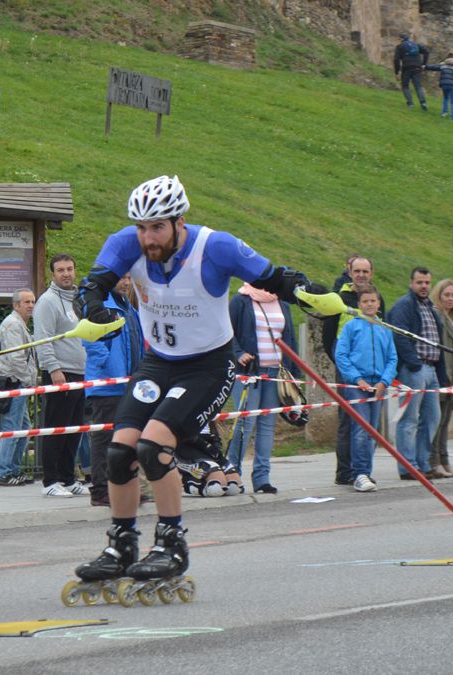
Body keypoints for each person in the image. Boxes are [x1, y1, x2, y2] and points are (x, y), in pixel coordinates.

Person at [72, 174, 339, 590]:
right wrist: (94, 312)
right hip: (158, 364)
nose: (148, 238)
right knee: (120, 451)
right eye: (142, 227)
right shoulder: (128, 242)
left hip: (209, 367)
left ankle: (172, 543)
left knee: (153, 445)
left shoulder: (214, 247)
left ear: (180, 221)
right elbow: (93, 285)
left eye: (157, 226)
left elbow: (274, 277)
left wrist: (305, 292)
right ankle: (121, 545)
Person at [225, 281, 303, 494]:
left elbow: (290, 338)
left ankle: (262, 478)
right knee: (244, 425)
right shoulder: (241, 300)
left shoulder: (282, 303)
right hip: (249, 374)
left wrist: (295, 374)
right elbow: (226, 332)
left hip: (276, 374)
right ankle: (234, 476)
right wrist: (239, 352)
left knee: (267, 426)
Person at [84, 274, 144, 506]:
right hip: (107, 385)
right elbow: (90, 340)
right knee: (103, 440)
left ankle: (124, 487)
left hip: (128, 384)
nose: (126, 282)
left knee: (127, 439)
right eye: (121, 278)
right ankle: (100, 490)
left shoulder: (128, 308)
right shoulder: (101, 306)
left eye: (129, 278)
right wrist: (107, 363)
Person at [322, 255, 381, 486]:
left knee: (369, 423)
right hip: (347, 368)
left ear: (371, 273)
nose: (361, 275)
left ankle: (363, 469)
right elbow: (328, 334)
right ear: (349, 271)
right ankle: (344, 471)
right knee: (348, 420)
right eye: (357, 271)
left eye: (365, 271)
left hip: (372, 370)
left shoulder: (377, 298)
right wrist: (340, 362)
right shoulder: (339, 297)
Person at [33, 254, 89, 497]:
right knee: (56, 428)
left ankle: (68, 477)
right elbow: (43, 339)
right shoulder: (47, 302)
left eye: (69, 269)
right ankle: (50, 480)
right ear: (52, 275)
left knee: (75, 428)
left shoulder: (78, 299)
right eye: (60, 270)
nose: (66, 274)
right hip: (60, 373)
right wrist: (54, 370)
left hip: (80, 372)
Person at [386, 267, 448, 480]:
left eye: (427, 283)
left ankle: (422, 463)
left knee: (432, 417)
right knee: (410, 419)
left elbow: (438, 342)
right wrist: (413, 364)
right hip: (415, 369)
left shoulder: (430, 307)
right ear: (412, 283)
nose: (424, 286)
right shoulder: (404, 305)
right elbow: (399, 336)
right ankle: (407, 467)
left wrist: (441, 373)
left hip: (432, 369)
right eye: (420, 282)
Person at [334, 285, 398, 492]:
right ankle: (359, 473)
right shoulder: (351, 327)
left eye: (373, 301)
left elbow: (392, 358)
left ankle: (366, 472)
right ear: (359, 305)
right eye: (365, 301)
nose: (369, 304)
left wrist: (384, 382)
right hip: (357, 385)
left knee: (372, 430)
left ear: (379, 303)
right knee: (360, 429)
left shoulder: (385, 329)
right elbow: (341, 355)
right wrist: (357, 379)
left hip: (378, 386)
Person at [0, 289, 38, 486]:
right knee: (12, 427)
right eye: (26, 302)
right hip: (15, 382)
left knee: (23, 427)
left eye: (32, 301)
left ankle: (13, 469)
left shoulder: (19, 324)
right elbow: (16, 356)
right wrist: (29, 380)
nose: (30, 305)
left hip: (18, 381)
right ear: (16, 305)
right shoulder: (13, 325)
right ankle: (4, 471)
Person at [430, 278, 453, 478]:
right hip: (444, 376)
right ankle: (435, 461)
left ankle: (444, 459)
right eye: (446, 295)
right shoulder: (438, 316)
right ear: (439, 296)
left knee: (445, 422)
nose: (450, 299)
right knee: (438, 422)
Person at [393, 33, 430, 111]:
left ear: (401, 39)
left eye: (399, 39)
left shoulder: (400, 47)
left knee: (405, 86)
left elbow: (396, 60)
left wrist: (397, 72)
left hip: (406, 67)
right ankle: (423, 103)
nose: (398, 40)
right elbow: (427, 51)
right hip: (417, 67)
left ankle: (410, 104)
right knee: (418, 86)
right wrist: (424, 64)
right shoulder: (416, 45)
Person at [425, 53, 453, 120]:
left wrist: (425, 66)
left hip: (444, 84)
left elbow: (434, 67)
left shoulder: (443, 65)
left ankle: (444, 113)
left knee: (445, 98)